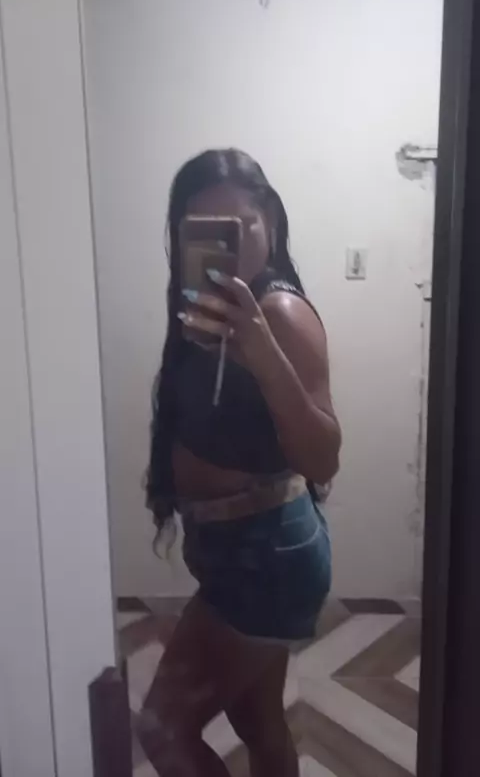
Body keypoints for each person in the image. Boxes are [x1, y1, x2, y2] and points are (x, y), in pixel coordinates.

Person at [138, 149, 341, 777]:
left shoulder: (279, 315)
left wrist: (261, 348)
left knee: (163, 729)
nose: (224, 245)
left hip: (265, 558)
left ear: (270, 223)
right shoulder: (202, 310)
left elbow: (323, 457)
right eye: (203, 230)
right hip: (243, 550)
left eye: (240, 227)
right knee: (259, 722)